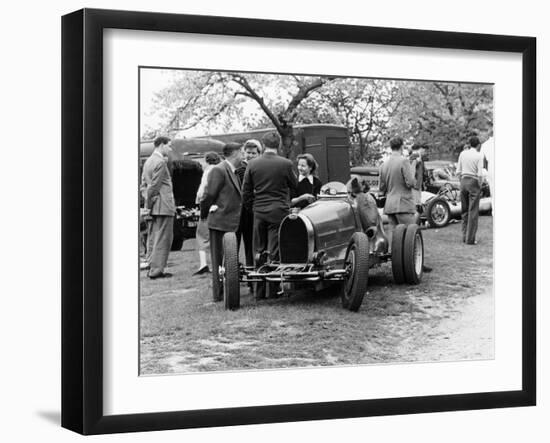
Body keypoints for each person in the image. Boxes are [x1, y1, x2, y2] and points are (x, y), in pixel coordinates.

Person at [242, 131, 298, 299]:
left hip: (259, 210)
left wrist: (252, 207)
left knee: (258, 249)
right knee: (274, 250)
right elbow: (294, 184)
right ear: (279, 145)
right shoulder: (286, 164)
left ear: (263, 145)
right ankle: (272, 290)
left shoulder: (252, 164)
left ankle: (259, 292)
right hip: (278, 210)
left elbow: (246, 191)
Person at [200, 143, 243, 301]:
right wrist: (205, 213)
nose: (243, 155)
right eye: (242, 152)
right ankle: (218, 294)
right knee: (219, 259)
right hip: (220, 220)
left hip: (231, 221)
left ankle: (227, 290)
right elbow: (209, 194)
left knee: (229, 259)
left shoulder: (232, 170)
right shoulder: (219, 170)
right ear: (235, 153)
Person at [140, 136, 176, 279]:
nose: (170, 149)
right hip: (163, 205)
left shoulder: (148, 161)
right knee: (163, 238)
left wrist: (148, 202)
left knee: (154, 237)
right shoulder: (160, 162)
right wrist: (150, 202)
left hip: (155, 206)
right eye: (169, 146)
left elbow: (144, 186)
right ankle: (157, 271)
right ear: (162, 145)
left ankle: (153, 266)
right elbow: (155, 186)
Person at [235, 139, 262, 271]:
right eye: (248, 152)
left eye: (253, 153)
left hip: (251, 212)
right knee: (235, 244)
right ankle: (233, 271)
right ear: (244, 153)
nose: (250, 155)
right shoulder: (240, 170)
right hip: (240, 212)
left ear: (259, 154)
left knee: (251, 244)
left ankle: (252, 269)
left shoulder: (258, 169)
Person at [379, 137, 417, 229]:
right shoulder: (403, 161)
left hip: (390, 206)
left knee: (395, 238)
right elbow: (411, 183)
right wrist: (413, 169)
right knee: (409, 236)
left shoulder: (384, 164)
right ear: (402, 147)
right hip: (404, 205)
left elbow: (381, 188)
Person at [193, 151, 221, 275]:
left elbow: (202, 192)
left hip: (208, 207)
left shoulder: (208, 171)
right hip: (220, 207)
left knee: (202, 236)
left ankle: (203, 264)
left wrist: (200, 204)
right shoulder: (222, 169)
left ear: (206, 161)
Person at [456, 136, 484, 245]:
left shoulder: (463, 153)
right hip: (473, 182)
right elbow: (480, 174)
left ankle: (464, 236)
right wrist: (480, 185)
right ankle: (470, 239)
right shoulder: (479, 155)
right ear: (478, 145)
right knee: (473, 211)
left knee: (464, 210)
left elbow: (458, 171)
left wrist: (461, 181)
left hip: (463, 181)